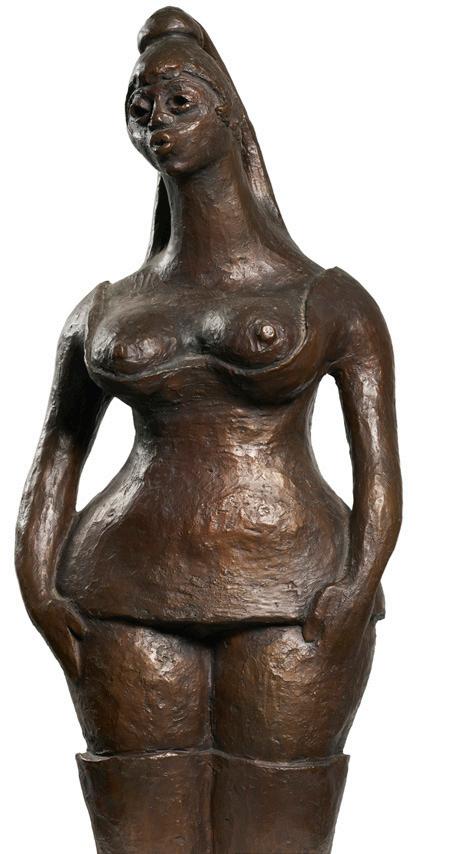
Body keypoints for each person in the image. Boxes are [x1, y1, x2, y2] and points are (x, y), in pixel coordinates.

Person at [15, 7, 402, 853]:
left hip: (294, 591)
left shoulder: (331, 300)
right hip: (119, 589)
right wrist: (37, 586)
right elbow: (57, 457)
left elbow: (379, 468)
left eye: (178, 101)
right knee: (139, 828)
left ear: (229, 114)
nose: (156, 120)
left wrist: (358, 581)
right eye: (140, 107)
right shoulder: (103, 308)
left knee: (280, 824)